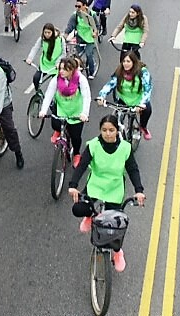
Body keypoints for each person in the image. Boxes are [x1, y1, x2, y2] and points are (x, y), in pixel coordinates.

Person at [67, 116, 145, 273]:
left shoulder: (125, 147)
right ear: (100, 131)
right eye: (104, 130)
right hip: (96, 185)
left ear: (117, 130)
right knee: (78, 209)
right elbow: (82, 165)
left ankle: (117, 253)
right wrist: (73, 185)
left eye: (111, 130)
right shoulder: (93, 145)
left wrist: (139, 190)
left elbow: (133, 169)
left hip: (114, 189)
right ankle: (90, 215)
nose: (108, 134)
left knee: (115, 225)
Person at [39, 56, 91, 166]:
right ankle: (59, 132)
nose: (61, 71)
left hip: (76, 112)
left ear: (72, 70)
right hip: (62, 109)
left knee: (76, 137)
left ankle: (76, 154)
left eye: (64, 69)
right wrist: (43, 110)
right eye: (60, 69)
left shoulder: (81, 79)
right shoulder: (56, 79)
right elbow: (49, 95)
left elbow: (87, 97)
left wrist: (84, 113)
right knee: (55, 124)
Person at [96, 50, 153, 140]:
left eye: (128, 61)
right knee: (115, 119)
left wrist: (142, 104)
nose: (125, 64)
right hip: (124, 99)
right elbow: (110, 84)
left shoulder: (143, 72)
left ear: (134, 62)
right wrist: (101, 96)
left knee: (147, 111)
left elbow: (147, 89)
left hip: (138, 101)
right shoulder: (120, 71)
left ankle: (143, 127)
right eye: (124, 61)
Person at [64, 0, 99, 79]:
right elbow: (70, 26)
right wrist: (65, 35)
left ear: (85, 6)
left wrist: (95, 32)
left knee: (88, 54)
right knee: (77, 55)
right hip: (80, 37)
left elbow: (96, 26)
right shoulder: (75, 15)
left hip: (90, 38)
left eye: (79, 6)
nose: (77, 8)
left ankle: (91, 71)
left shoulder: (91, 14)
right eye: (76, 6)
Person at [25, 23, 64, 90]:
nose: (47, 34)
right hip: (44, 64)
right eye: (45, 32)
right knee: (36, 78)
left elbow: (63, 53)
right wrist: (30, 58)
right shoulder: (42, 39)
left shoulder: (60, 40)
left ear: (53, 32)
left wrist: (58, 62)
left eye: (49, 32)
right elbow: (35, 48)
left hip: (56, 66)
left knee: (57, 84)